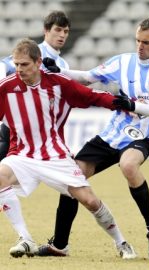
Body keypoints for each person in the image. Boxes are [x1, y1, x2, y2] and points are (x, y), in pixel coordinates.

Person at [41, 17, 149, 260]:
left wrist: (134, 105)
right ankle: (60, 245)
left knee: (128, 164)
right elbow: (87, 76)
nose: (140, 46)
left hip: (142, 135)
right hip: (112, 134)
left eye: (146, 42)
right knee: (71, 177)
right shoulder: (123, 62)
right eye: (137, 40)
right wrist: (59, 71)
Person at [0, 38, 138, 259]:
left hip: (55, 155)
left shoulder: (57, 83)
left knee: (90, 200)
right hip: (22, 154)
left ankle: (122, 243)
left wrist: (119, 104)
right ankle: (25, 238)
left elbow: (91, 96)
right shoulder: (5, 88)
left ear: (37, 62)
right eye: (16, 64)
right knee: (0, 177)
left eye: (24, 64)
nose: (19, 69)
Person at [0, 10, 79, 256]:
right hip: (16, 133)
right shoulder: (32, 54)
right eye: (57, 30)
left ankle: (57, 242)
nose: (62, 35)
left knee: (73, 187)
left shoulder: (62, 65)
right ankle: (28, 238)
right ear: (46, 31)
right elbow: (5, 67)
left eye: (65, 31)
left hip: (44, 138)